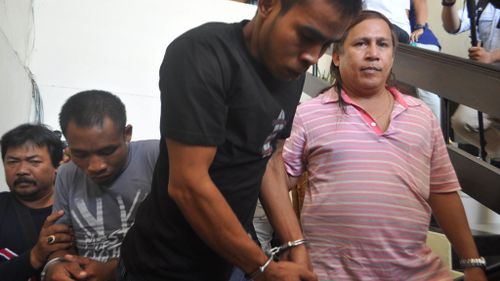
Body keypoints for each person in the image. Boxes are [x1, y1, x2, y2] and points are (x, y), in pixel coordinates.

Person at [119, 0, 362, 280]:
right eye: (306, 36)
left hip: (229, 260)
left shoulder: (290, 71)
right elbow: (188, 184)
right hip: (163, 266)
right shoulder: (202, 54)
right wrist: (261, 267)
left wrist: (296, 243)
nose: (312, 56)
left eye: (326, 45)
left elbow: (269, 158)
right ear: (268, 5)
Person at [282, 10, 487, 280]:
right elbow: (277, 180)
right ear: (336, 55)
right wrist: (293, 246)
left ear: (392, 56)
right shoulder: (309, 115)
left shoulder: (420, 116)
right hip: (331, 275)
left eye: (382, 44)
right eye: (360, 43)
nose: (373, 53)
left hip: (417, 274)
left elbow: (443, 191)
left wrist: (472, 263)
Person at [43, 90, 159, 281]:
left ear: (127, 134)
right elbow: (59, 242)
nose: (96, 166)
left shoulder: (155, 157)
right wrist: (55, 267)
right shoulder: (66, 174)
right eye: (80, 154)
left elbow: (179, 237)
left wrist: (116, 270)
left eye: (108, 150)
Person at [0, 123, 73, 281]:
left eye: (34, 161)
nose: (21, 170)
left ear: (57, 165)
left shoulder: (76, 208)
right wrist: (35, 256)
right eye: (12, 162)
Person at [442, 0, 500, 161]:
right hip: (489, 81)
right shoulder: (481, 2)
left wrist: (491, 56)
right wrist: (448, 4)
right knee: (462, 121)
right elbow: (454, 26)